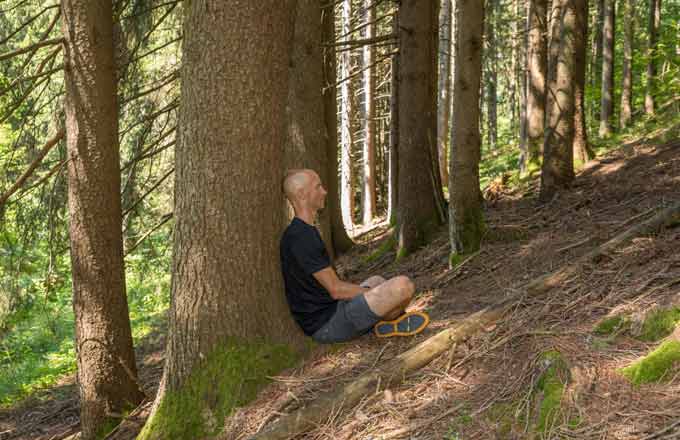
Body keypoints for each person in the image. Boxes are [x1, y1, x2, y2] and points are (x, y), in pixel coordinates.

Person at [280, 168, 429, 344]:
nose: (324, 191)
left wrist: (371, 293)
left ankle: (381, 323)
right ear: (302, 195)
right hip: (327, 324)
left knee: (377, 280)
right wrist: (371, 294)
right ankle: (382, 321)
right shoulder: (301, 238)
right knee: (403, 286)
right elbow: (336, 290)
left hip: (333, 310)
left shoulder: (302, 231)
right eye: (318, 187)